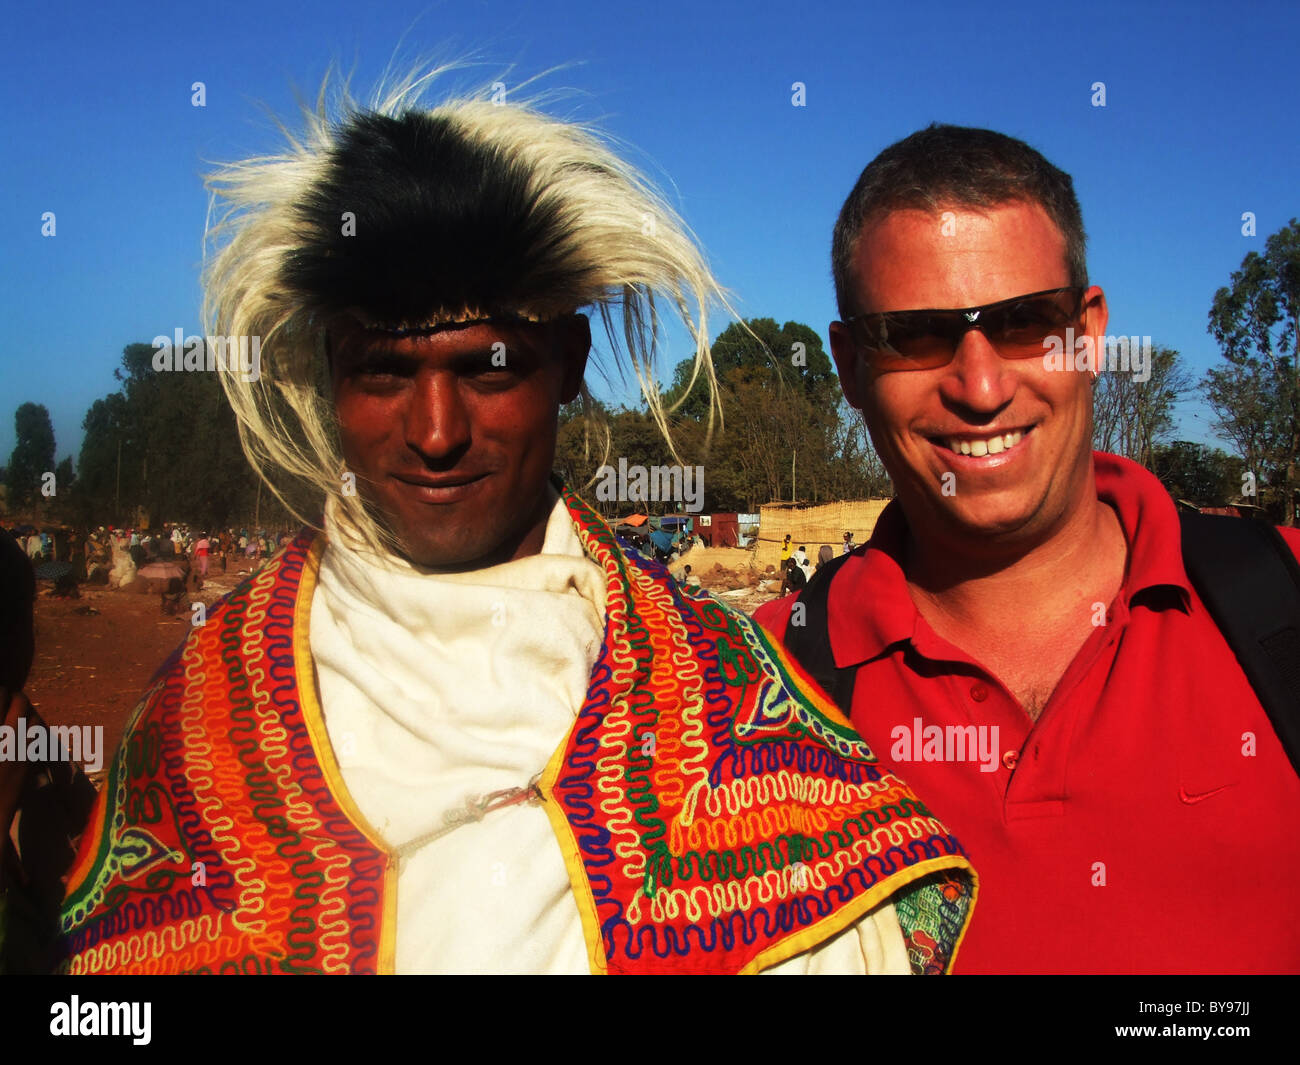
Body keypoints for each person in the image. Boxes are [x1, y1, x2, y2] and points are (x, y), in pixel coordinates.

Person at [5, 73, 972, 976]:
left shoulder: (731, 707)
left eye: (490, 367)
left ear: (570, 363)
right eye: (384, 370)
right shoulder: (200, 722)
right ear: (329, 377)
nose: (436, 432)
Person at [755, 123, 1300, 974]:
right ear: (853, 367)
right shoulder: (756, 686)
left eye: (1024, 323)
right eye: (918, 335)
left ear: (1088, 333)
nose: (981, 387)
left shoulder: (1281, 606)